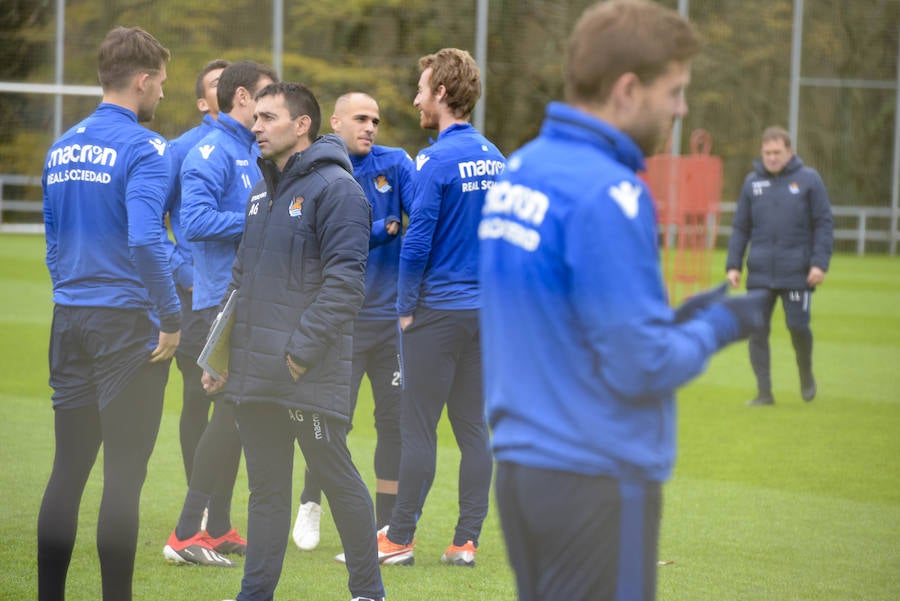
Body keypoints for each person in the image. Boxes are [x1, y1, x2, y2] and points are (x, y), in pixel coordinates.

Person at [478, 2, 769, 600]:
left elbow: (568, 320)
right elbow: (642, 364)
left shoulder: (522, 169)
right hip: (596, 475)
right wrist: (719, 324)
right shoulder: (609, 192)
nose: (682, 108)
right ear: (628, 89)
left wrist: (671, 322)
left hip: (522, 472)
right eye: (676, 90)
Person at [204, 81, 385, 601]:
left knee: (337, 477)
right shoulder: (261, 192)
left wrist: (298, 356)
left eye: (267, 118)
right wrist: (219, 352)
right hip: (255, 374)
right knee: (265, 492)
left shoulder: (339, 191)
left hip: (304, 372)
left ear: (301, 125)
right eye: (254, 118)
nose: (255, 126)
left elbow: (345, 284)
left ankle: (368, 593)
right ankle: (254, 595)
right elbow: (241, 282)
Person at [38, 26, 181, 601]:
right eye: (162, 84)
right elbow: (148, 241)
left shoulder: (62, 145)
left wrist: (73, 288)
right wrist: (171, 318)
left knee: (67, 470)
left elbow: (52, 239)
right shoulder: (145, 148)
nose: (164, 96)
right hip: (127, 326)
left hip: (68, 317)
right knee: (124, 477)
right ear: (142, 80)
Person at [377, 48, 505, 568]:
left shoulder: (433, 159)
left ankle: (399, 539)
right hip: (485, 315)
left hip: (435, 313)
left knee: (418, 428)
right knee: (474, 429)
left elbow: (415, 242)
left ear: (443, 95)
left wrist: (405, 308)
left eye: (421, 87)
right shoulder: (497, 156)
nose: (415, 98)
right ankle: (465, 542)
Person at [163, 60, 277, 566]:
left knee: (235, 417)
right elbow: (194, 220)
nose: (273, 106)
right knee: (225, 412)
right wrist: (259, 218)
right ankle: (187, 532)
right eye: (266, 97)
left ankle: (219, 526)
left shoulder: (250, 148)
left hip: (246, 298)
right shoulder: (208, 150)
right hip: (217, 300)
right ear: (243, 100)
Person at [292, 92, 413, 551]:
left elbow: (421, 219)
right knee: (329, 418)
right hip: (339, 322)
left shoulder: (396, 165)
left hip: (388, 323)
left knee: (393, 423)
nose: (370, 127)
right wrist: (383, 232)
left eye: (377, 120)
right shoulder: (318, 171)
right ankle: (310, 501)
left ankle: (384, 528)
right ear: (336, 121)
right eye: (361, 119)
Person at [726, 125, 834, 406]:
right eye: (767, 153)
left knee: (798, 327)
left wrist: (819, 264)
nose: (771, 158)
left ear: (790, 152)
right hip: (760, 273)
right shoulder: (752, 183)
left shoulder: (809, 180)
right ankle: (764, 393)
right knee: (756, 331)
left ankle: (806, 374)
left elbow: (824, 223)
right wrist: (733, 265)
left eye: (777, 152)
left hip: (797, 273)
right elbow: (740, 227)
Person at [165, 58, 229, 485]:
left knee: (235, 406)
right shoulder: (182, 148)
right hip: (193, 298)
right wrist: (183, 271)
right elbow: (150, 223)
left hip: (240, 296)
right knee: (196, 398)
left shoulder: (255, 147)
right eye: (217, 84)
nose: (227, 90)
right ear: (202, 102)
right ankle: (198, 502)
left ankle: (218, 508)